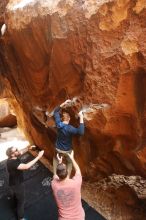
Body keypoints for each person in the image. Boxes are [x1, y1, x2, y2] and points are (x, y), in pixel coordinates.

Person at [6, 145, 44, 220]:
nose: (18, 150)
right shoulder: (12, 163)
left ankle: (14, 203)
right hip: (17, 185)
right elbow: (26, 166)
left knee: (15, 197)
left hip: (13, 182)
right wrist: (38, 157)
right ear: (12, 154)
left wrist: (28, 148)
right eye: (16, 150)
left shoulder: (12, 157)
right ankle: (20, 218)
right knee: (21, 202)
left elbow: (20, 152)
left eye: (17, 148)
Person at [53, 99, 84, 177]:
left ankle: (55, 174)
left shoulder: (58, 123)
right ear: (69, 119)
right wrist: (81, 117)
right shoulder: (70, 128)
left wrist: (63, 103)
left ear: (61, 119)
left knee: (56, 159)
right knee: (69, 162)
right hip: (67, 151)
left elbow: (55, 112)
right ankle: (67, 176)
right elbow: (81, 132)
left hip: (58, 148)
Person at [51, 151, 85, 220]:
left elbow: (56, 175)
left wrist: (60, 163)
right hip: (79, 217)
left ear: (58, 174)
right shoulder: (76, 183)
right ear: (67, 172)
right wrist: (72, 158)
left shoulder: (54, 184)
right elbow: (78, 170)